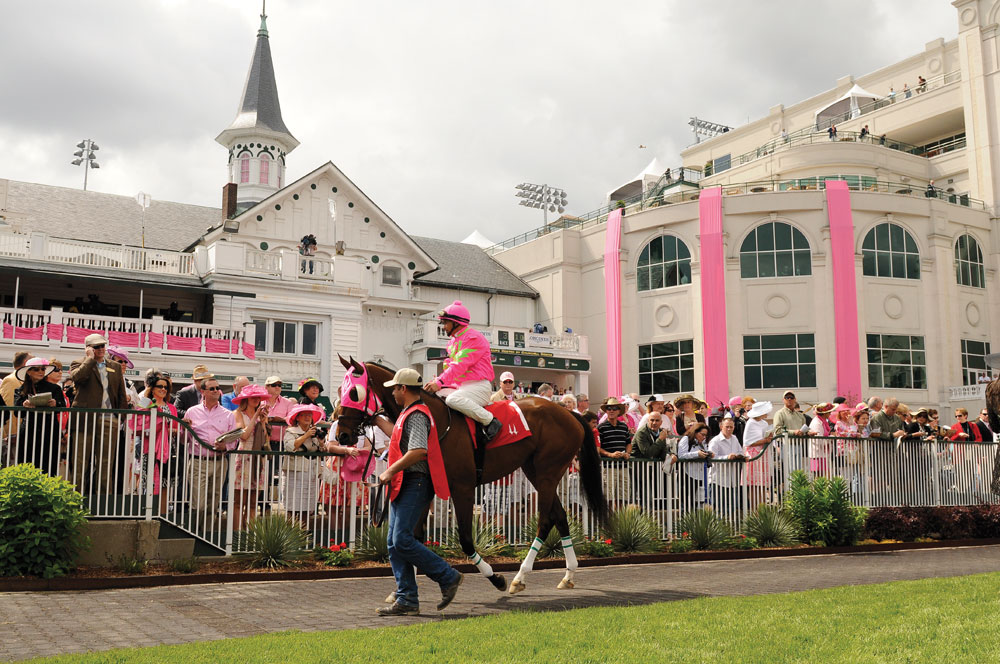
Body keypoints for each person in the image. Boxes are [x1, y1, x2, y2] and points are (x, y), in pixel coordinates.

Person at [371, 368, 463, 616]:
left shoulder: (417, 415)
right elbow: (398, 440)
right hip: (408, 481)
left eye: (395, 388)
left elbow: (418, 450)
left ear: (403, 389)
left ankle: (448, 576)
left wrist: (390, 471)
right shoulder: (408, 414)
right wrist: (377, 419)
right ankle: (407, 599)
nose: (392, 392)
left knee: (401, 539)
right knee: (393, 543)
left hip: (415, 481)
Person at [423, 301, 501, 441]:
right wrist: (437, 383)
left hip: (479, 387)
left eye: (446, 323)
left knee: (453, 400)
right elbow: (453, 371)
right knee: (434, 397)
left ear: (456, 323)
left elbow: (459, 366)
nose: (444, 327)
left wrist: (440, 382)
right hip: (461, 387)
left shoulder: (474, 338)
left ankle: (490, 421)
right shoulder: (452, 342)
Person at [70, 334, 128, 495]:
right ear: (88, 348)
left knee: (106, 463)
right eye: (96, 347)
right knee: (80, 462)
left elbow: (121, 393)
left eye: (102, 345)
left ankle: (103, 501)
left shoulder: (115, 366)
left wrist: (120, 417)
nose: (101, 349)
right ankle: (75, 500)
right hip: (85, 418)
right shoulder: (79, 363)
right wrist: (89, 359)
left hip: (110, 419)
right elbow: (77, 378)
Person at [182, 377, 234, 523]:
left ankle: (208, 535)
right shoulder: (191, 412)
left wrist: (226, 446)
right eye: (212, 388)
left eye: (218, 388)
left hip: (220, 461)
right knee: (198, 504)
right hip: (199, 461)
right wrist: (184, 429)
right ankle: (195, 534)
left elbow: (234, 439)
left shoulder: (228, 414)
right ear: (203, 391)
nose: (216, 391)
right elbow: (183, 440)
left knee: (214, 503)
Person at [129, 374, 177, 514]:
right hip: (147, 449)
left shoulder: (171, 407)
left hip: (167, 450)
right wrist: (153, 426)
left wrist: (172, 430)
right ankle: (143, 513)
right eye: (160, 386)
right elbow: (136, 422)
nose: (163, 389)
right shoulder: (145, 402)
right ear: (152, 388)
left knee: (164, 484)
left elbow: (175, 427)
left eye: (165, 387)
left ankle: (161, 515)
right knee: (146, 481)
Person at [12, 357, 62, 475]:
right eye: (36, 369)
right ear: (29, 372)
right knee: (26, 461)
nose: (40, 372)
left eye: (42, 369)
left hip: (49, 430)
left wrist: (55, 403)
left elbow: (62, 406)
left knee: (48, 463)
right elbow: (17, 412)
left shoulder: (55, 388)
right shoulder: (21, 390)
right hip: (29, 430)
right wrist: (24, 404)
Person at [232, 384, 271, 528]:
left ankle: (249, 534)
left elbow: (265, 440)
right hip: (244, 457)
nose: (256, 400)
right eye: (252, 397)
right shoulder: (238, 414)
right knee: (239, 501)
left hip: (258, 459)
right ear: (246, 399)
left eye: (258, 397)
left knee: (253, 501)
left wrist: (263, 422)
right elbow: (244, 435)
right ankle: (236, 535)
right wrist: (255, 416)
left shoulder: (262, 416)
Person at [283, 404, 325, 527]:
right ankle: (291, 537)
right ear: (297, 418)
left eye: (309, 415)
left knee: (308, 507)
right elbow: (290, 447)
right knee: (293, 506)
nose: (307, 417)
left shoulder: (315, 433)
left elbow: (322, 450)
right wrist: (306, 436)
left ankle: (305, 536)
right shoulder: (290, 431)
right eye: (304, 415)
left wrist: (321, 443)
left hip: (311, 473)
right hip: (295, 472)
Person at [597, 397, 632, 506]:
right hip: (609, 467)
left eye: (614, 408)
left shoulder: (624, 426)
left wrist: (628, 453)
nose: (611, 411)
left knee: (624, 495)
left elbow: (628, 443)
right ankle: (610, 520)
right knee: (609, 496)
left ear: (618, 411)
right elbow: (597, 447)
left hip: (623, 466)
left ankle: (620, 520)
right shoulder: (601, 427)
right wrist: (610, 455)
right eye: (609, 409)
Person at [707, 417, 746, 515]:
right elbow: (712, 457)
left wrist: (742, 457)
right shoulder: (715, 441)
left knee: (731, 509)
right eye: (727, 427)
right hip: (718, 480)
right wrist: (726, 457)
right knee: (718, 509)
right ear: (721, 427)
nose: (729, 429)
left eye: (731, 427)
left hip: (732, 479)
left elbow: (740, 452)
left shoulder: (734, 438)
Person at [741, 401, 774, 509]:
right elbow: (748, 442)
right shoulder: (751, 423)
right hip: (753, 456)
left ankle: (762, 508)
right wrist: (765, 440)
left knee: (763, 484)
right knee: (754, 485)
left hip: (763, 455)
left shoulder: (764, 423)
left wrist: (768, 438)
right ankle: (755, 508)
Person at [677, 422, 713, 509]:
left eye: (706, 436)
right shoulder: (686, 439)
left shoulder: (703, 443)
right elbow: (681, 455)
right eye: (702, 434)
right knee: (686, 503)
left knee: (696, 504)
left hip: (699, 476)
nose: (704, 437)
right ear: (695, 432)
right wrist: (697, 454)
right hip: (687, 475)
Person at [2, 351, 33, 441]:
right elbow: (9, 408)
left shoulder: (27, 381)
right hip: (15, 434)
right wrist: (12, 433)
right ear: (25, 363)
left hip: (26, 432)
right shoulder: (11, 380)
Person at [808, 402, 836, 476]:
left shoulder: (822, 421)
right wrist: (831, 438)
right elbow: (819, 439)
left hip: (822, 454)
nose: (830, 413)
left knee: (825, 476)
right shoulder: (817, 423)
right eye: (829, 412)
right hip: (817, 454)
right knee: (820, 477)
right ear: (824, 413)